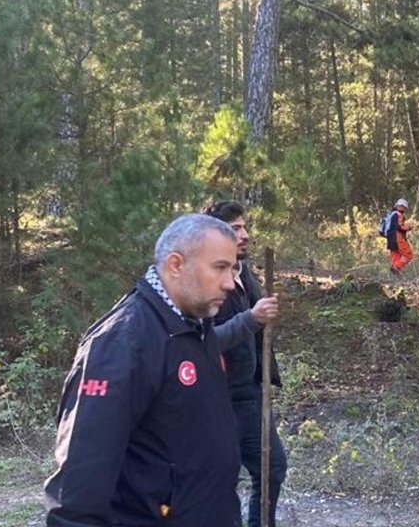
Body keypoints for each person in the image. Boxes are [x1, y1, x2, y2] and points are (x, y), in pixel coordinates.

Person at [44, 214, 279, 527]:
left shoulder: (197, 325)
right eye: (220, 267)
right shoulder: (123, 341)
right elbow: (80, 481)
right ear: (175, 264)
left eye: (233, 268)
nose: (229, 282)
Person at [203, 201, 287, 527]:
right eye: (235, 228)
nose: (245, 235)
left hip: (250, 395)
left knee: (272, 468)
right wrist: (251, 318)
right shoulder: (206, 282)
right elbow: (203, 344)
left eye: (244, 227)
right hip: (216, 399)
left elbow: (255, 328)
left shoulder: (244, 272)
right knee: (221, 482)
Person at [384, 198, 414, 275]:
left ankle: (395, 278)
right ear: (403, 207)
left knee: (396, 257)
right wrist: (409, 227)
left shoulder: (391, 214)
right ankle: (396, 267)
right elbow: (400, 227)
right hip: (398, 240)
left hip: (390, 240)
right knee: (408, 255)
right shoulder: (399, 215)